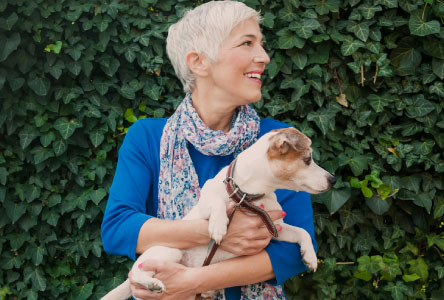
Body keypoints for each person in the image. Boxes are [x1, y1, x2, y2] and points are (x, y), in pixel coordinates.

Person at [101, 1, 317, 299]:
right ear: (199, 62)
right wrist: (214, 232)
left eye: (261, 44)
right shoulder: (148, 137)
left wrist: (192, 281)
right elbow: (117, 228)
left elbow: (294, 253)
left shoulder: (276, 141)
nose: (264, 57)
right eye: (247, 43)